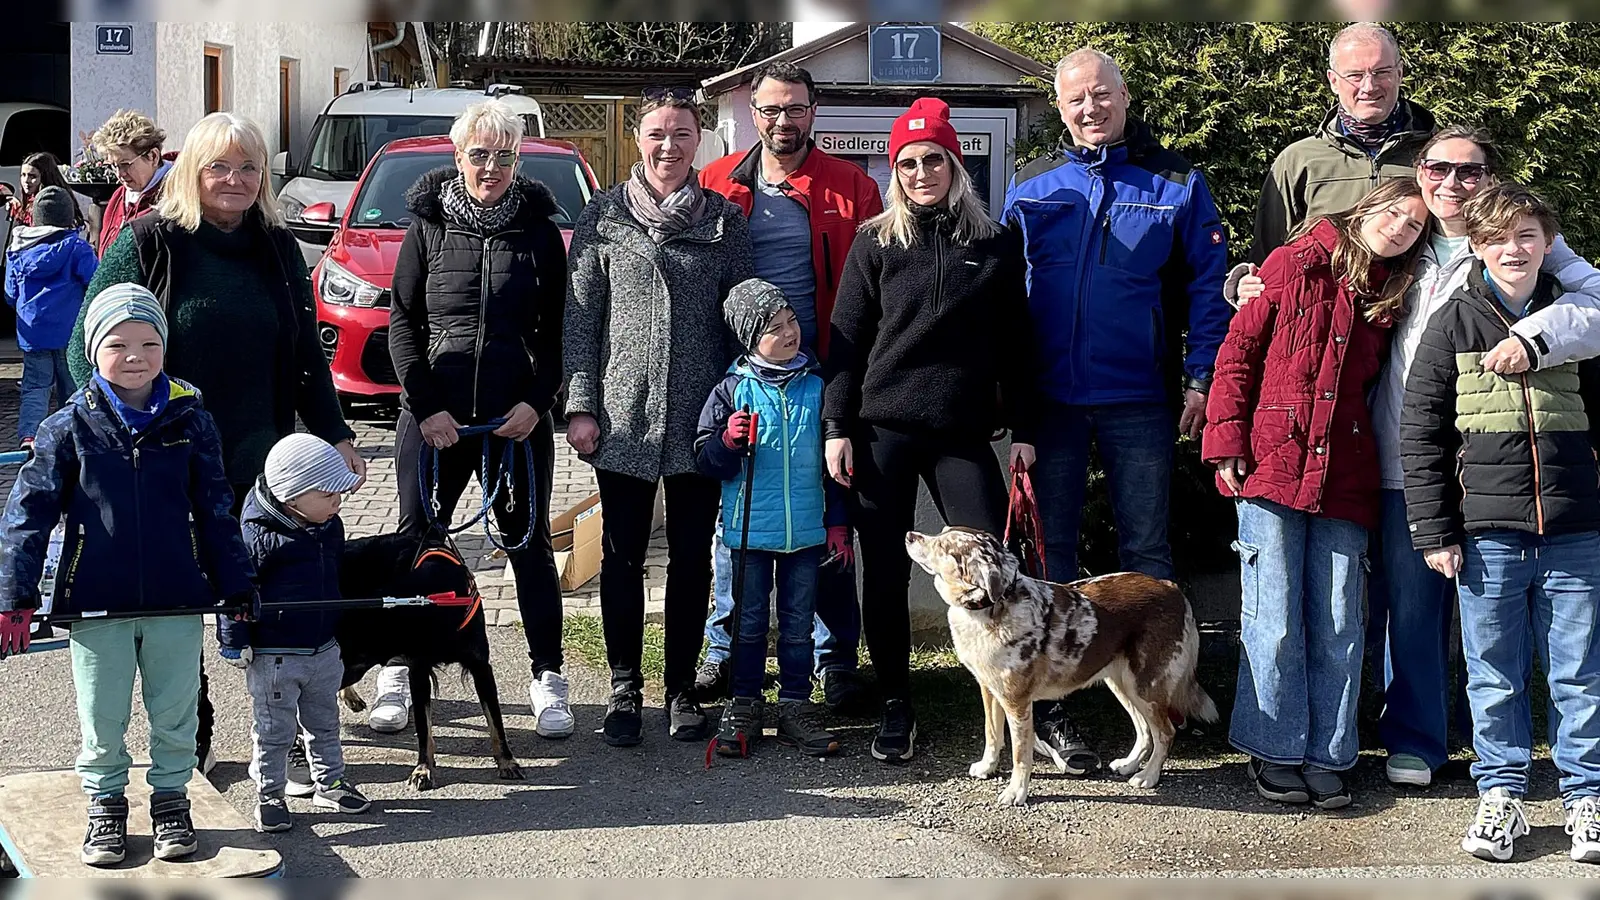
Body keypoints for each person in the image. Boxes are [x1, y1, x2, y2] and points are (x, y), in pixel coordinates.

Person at [1232, 126, 1600, 789]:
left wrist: (1535, 337)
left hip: (1495, 463)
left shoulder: (1521, 242)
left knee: (1483, 612)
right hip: (1403, 453)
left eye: (1470, 171)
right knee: (1407, 604)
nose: (1452, 183)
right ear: (1418, 172)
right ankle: (1399, 737)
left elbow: (1595, 305)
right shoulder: (1402, 247)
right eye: (1439, 168)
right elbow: (1307, 293)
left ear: (1490, 178)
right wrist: (1250, 282)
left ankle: (1461, 745)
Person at [67, 110, 362, 778]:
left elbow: (306, 360)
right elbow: (86, 349)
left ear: (263, 178)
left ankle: (278, 736)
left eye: (248, 167)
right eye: (219, 166)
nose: (234, 179)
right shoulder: (150, 242)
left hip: (257, 464)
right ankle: (189, 747)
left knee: (259, 595)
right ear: (193, 172)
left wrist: (336, 433)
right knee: (178, 612)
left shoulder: (278, 249)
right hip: (167, 460)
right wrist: (123, 431)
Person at [1000, 47, 1231, 774]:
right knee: (1054, 563)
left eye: (1102, 95)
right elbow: (1003, 298)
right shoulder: (1031, 186)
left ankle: (1164, 702)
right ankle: (1058, 713)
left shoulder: (1174, 184)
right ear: (1060, 107)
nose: (1090, 108)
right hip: (1054, 403)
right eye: (1076, 99)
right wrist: (1010, 400)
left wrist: (1200, 378)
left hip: (1140, 397)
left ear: (1125, 99)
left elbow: (1207, 286)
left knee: (1148, 561)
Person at [0, 284, 255, 866]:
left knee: (176, 709)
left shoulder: (193, 421)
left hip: (175, 598)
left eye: (149, 342)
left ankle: (171, 798)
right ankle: (106, 806)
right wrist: (13, 594)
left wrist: (237, 586)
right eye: (118, 344)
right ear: (92, 351)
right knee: (102, 712)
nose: (135, 355)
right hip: (96, 600)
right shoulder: (68, 428)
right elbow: (28, 513)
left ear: (165, 347)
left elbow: (218, 509)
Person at [1204, 179, 1431, 810]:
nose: (1399, 228)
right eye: (1393, 213)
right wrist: (1226, 437)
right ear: (1367, 207)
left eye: (1414, 226)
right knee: (1272, 613)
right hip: (1272, 460)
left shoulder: (1392, 291)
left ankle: (1329, 752)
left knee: (1338, 616)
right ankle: (1275, 748)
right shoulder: (1295, 261)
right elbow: (1240, 350)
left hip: (1346, 471)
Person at [826, 97, 1037, 763]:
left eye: (933, 160)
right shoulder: (873, 242)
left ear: (955, 165)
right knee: (885, 572)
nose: (921, 172)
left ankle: (1024, 698)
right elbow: (847, 342)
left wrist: (1026, 429)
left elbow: (1018, 347)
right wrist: (836, 425)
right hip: (881, 430)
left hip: (960, 433)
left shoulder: (996, 244)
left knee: (995, 566)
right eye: (909, 162)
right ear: (896, 171)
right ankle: (896, 703)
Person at [1401, 184, 1600, 864]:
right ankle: (1503, 795)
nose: (1512, 250)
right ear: (1476, 249)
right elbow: (1421, 432)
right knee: (1494, 674)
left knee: (1579, 674)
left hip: (1576, 531)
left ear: (1548, 243)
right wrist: (1433, 532)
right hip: (1487, 535)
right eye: (1495, 240)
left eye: (1526, 237)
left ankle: (1587, 799)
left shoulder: (1577, 317)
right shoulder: (1452, 321)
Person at [564, 89, 753, 747]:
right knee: (620, 557)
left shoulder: (726, 222)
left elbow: (743, 320)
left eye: (680, 133)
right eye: (656, 133)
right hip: (623, 419)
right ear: (637, 138)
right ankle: (623, 687)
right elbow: (581, 318)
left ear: (698, 139)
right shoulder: (604, 216)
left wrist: (741, 404)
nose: (668, 146)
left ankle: (678, 690)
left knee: (692, 560)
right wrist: (581, 405)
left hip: (701, 420)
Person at [698, 61, 883, 712]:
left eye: (795, 108)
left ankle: (837, 667)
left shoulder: (852, 187)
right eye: (771, 109)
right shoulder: (717, 183)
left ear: (815, 111)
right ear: (754, 115)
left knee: (828, 520)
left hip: (824, 376)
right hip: (743, 377)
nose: (784, 121)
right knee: (737, 517)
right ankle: (723, 658)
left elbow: (875, 289)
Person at [386, 99, 571, 740]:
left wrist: (537, 403)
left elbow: (556, 335)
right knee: (417, 545)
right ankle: (397, 670)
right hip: (435, 418)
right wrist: (426, 406)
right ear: (457, 156)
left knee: (529, 547)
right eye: (478, 154)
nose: (490, 166)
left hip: (514, 420)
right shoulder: (427, 225)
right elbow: (402, 324)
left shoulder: (540, 231)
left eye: (503, 155)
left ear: (518, 160)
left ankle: (548, 677)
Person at [696, 279, 846, 758]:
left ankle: (796, 706)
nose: (789, 334)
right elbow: (705, 459)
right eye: (774, 329)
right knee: (750, 621)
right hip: (747, 534)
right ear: (748, 339)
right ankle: (744, 704)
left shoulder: (817, 387)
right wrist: (727, 442)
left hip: (806, 531)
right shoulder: (732, 390)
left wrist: (838, 523)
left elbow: (836, 469)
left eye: (791, 323)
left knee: (799, 622)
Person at [219, 433, 371, 834]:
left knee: (325, 722)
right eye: (328, 495)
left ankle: (331, 782)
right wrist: (236, 643)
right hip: (275, 655)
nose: (338, 504)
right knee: (274, 730)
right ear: (293, 496)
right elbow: (233, 591)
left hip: (323, 648)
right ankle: (270, 793)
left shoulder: (327, 525)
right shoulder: (257, 536)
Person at [1251, 24, 1436, 263]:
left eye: (1382, 72)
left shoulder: (1438, 156)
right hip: (1324, 300)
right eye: (1355, 75)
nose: (1369, 87)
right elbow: (1268, 260)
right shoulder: (1299, 161)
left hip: (1413, 298)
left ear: (1399, 73)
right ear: (1333, 81)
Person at [5, 186, 97, 447]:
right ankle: (74, 435)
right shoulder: (76, 247)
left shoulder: (17, 250)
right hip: (68, 331)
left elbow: (10, 294)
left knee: (35, 387)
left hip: (33, 333)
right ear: (68, 217)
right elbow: (95, 281)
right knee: (74, 386)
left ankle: (30, 436)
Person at [91, 109, 176, 257]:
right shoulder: (119, 196)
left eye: (126, 164)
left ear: (153, 156)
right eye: (113, 166)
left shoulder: (176, 198)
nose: (120, 174)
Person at [5, 152, 88, 238]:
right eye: (23, 175)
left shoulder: (53, 202)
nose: (26, 180)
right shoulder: (29, 199)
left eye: (32, 176)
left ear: (45, 177)